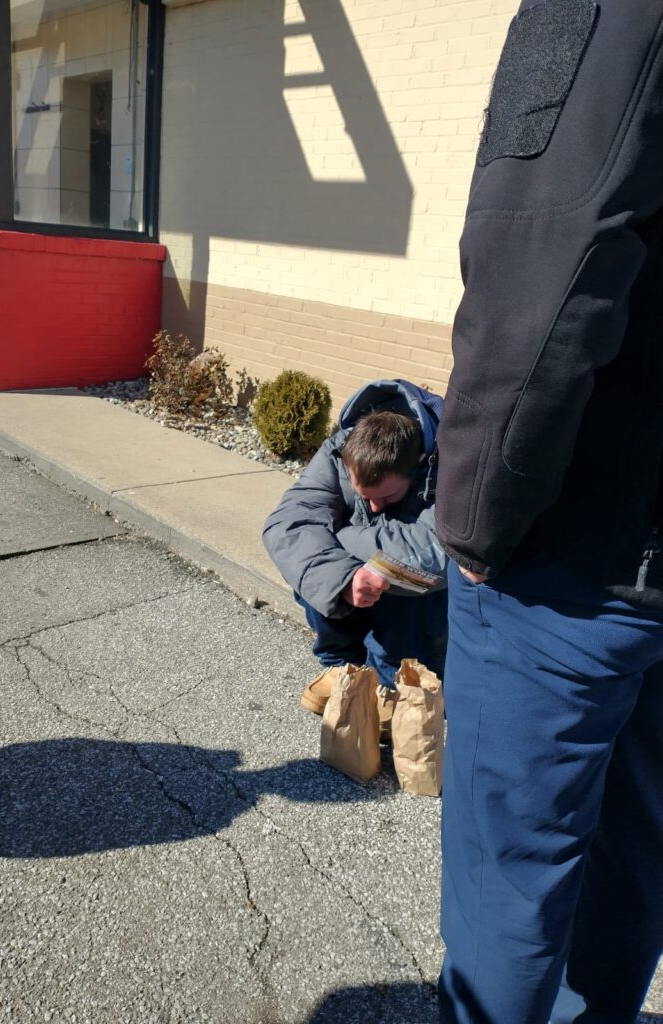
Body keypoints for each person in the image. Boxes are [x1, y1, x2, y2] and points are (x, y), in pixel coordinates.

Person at [433, 1, 663, 1021]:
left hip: (574, 558)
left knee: (511, 897)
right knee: (632, 858)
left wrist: (476, 524)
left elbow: (549, 251)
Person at [263, 378, 448, 718]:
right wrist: (344, 578)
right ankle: (343, 666)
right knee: (318, 567)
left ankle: (393, 682)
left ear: (419, 461)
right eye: (366, 497)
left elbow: (435, 557)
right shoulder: (342, 446)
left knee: (407, 578)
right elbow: (289, 523)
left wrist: (343, 536)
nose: (375, 507)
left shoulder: (452, 461)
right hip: (369, 570)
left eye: (387, 496)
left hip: (418, 601)